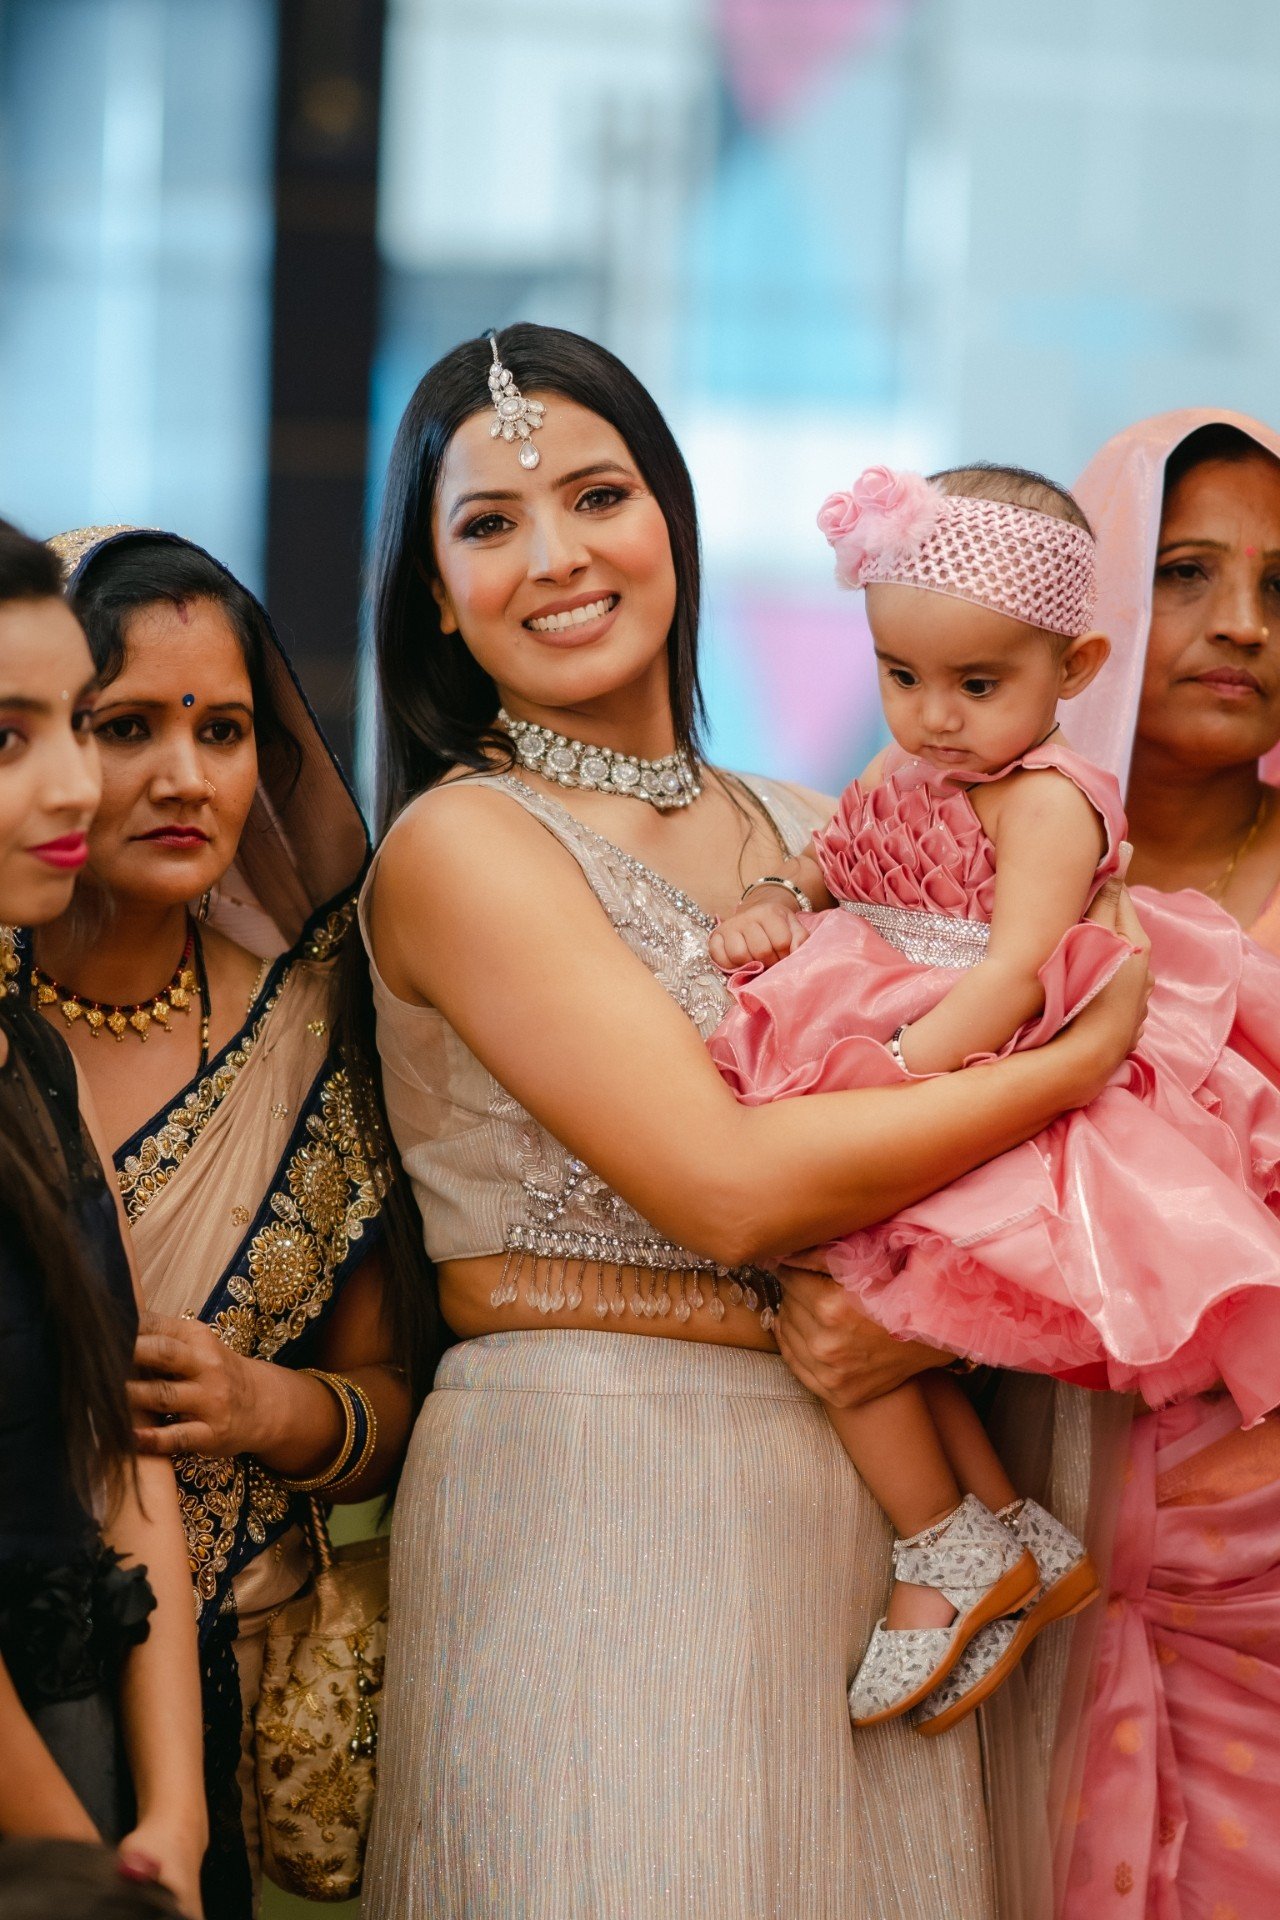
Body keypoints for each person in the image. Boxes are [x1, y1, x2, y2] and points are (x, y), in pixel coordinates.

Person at [354, 323, 1150, 1920]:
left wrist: (919, 1323)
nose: (559, 556)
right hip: (592, 1489)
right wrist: (1061, 1068)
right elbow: (730, 1194)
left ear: (673, 519)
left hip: (874, 1527)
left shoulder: (822, 826)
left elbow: (1018, 1178)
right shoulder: (462, 847)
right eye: (492, 523)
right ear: (436, 593)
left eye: (598, 496)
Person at [709, 457, 1280, 1736]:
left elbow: (1019, 973)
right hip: (899, 1039)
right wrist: (775, 900)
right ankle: (1001, 1529)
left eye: (975, 685)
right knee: (840, 1280)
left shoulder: (1046, 803)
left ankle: (941, 1541)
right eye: (899, 675)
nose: (932, 717)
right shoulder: (920, 757)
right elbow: (835, 853)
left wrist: (892, 1082)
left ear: (1072, 669)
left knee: (858, 1280)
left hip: (973, 1071)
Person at [18, 529, 409, 1917]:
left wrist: (263, 1407)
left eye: (224, 731)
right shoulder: (4, 1029)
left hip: (229, 1693)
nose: (187, 776)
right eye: (128, 726)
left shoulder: (319, 1032)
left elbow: (394, 1400)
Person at [1060, 411, 1280, 1918]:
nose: (1243, 624)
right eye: (1185, 571)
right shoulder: (979, 851)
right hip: (1032, 1515)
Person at [0, 520, 205, 1917]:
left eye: (78, 721)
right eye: (5, 738)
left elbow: (118, 1440)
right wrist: (73, 1858)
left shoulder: (31, 1056)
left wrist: (172, 1821)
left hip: (90, 1757)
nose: (80, 783)